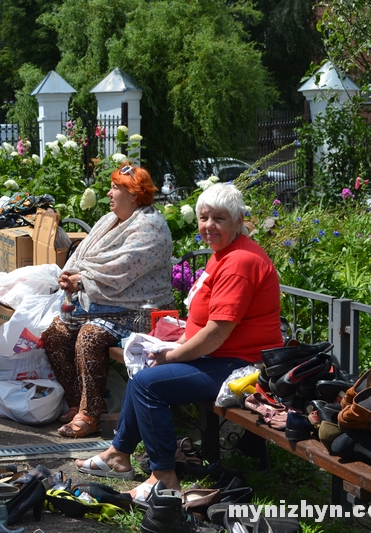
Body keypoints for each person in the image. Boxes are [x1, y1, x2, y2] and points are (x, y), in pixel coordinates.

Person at [75, 183, 284, 497]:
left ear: (239, 221)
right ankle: (118, 455)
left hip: (241, 365)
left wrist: (173, 356)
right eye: (204, 217)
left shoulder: (240, 262)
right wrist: (175, 341)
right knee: (144, 376)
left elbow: (218, 332)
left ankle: (164, 479)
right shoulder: (223, 253)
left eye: (219, 219)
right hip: (222, 357)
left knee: (149, 385)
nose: (208, 226)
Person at [41, 164, 174, 438]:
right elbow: (84, 257)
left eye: (116, 188)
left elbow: (123, 268)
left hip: (137, 311)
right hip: (103, 304)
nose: (109, 193)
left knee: (90, 336)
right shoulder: (108, 220)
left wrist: (82, 280)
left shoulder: (151, 227)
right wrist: (73, 275)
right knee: (54, 334)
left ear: (134, 194)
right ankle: (80, 403)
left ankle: (91, 414)